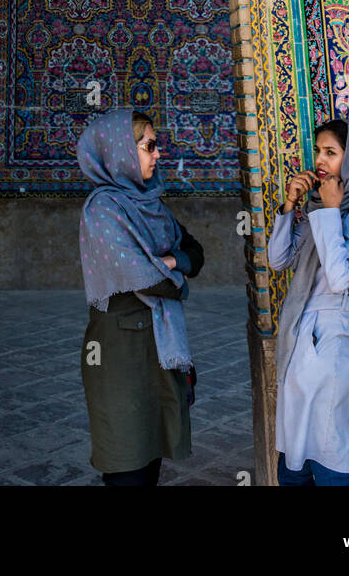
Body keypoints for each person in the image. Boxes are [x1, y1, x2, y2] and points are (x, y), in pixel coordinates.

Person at [77, 106, 204, 487]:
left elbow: (195, 253)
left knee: (152, 458)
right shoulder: (102, 210)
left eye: (155, 145)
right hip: (119, 354)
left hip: (159, 348)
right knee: (126, 459)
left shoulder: (152, 204)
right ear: (121, 151)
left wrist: (171, 261)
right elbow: (146, 278)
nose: (158, 153)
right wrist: (177, 279)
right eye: (149, 146)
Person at [267, 118, 349, 487]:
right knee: (295, 455)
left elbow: (340, 279)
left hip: (331, 343)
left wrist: (331, 213)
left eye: (331, 153)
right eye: (319, 151)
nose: (320, 160)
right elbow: (278, 260)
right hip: (300, 341)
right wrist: (291, 204)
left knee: (330, 450)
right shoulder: (321, 206)